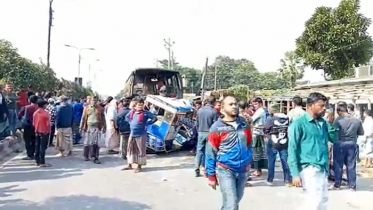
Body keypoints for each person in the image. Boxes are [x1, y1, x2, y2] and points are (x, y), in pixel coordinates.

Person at [288, 92, 336, 209]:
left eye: (324, 105)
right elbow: (292, 148)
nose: (324, 108)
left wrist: (329, 123)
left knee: (322, 200)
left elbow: (334, 138)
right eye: (321, 105)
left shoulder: (322, 123)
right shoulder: (299, 124)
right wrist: (295, 173)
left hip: (323, 166)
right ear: (310, 106)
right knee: (313, 201)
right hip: (309, 167)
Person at [205, 96, 252, 210]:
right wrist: (211, 176)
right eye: (230, 104)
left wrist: (249, 162)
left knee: (233, 202)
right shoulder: (217, 127)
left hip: (243, 170)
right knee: (232, 205)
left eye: (235, 104)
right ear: (222, 107)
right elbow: (210, 153)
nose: (234, 106)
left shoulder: (243, 124)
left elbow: (249, 143)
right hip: (226, 170)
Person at [332, 101, 364, 191]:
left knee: (338, 164)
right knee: (351, 164)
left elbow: (333, 132)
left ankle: (337, 184)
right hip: (352, 144)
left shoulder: (338, 120)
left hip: (340, 144)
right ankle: (352, 185)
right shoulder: (357, 120)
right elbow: (361, 133)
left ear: (339, 111)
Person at [123, 99, 156, 173]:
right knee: (130, 149)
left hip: (141, 134)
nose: (140, 106)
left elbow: (154, 118)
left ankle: (139, 166)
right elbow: (126, 118)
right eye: (139, 105)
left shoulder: (146, 113)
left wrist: (147, 123)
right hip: (132, 133)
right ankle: (129, 165)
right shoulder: (132, 112)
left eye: (141, 105)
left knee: (140, 150)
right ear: (135, 105)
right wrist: (130, 123)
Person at [264, 103, 292, 186]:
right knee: (285, 161)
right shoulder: (287, 118)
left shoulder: (270, 118)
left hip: (272, 142)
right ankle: (287, 179)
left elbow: (266, 129)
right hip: (284, 141)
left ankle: (270, 179)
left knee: (271, 161)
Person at [194, 97, 219, 177]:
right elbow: (215, 125)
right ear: (214, 102)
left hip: (201, 132)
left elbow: (196, 123)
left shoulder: (200, 110)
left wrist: (199, 131)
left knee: (199, 152)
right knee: (209, 153)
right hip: (210, 133)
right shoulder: (214, 112)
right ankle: (208, 171)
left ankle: (196, 169)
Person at [80, 96, 106, 164]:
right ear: (90, 101)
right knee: (87, 143)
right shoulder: (86, 108)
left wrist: (104, 127)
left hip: (97, 128)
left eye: (95, 100)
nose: (94, 102)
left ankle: (95, 157)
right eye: (92, 100)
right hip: (88, 128)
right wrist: (81, 127)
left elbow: (103, 118)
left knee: (96, 143)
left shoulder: (100, 108)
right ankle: (86, 156)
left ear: (97, 101)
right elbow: (83, 118)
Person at [250, 97, 268, 177]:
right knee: (258, 151)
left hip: (257, 133)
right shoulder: (260, 111)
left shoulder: (260, 111)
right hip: (258, 132)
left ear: (260, 104)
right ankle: (258, 169)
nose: (255, 106)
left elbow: (251, 120)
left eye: (256, 104)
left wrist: (246, 115)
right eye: (254, 104)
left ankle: (258, 170)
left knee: (257, 152)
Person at [33, 99, 51, 167]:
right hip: (44, 132)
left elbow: (34, 123)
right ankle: (42, 162)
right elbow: (48, 124)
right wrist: (49, 131)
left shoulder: (35, 113)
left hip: (37, 131)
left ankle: (37, 161)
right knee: (43, 147)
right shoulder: (46, 113)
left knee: (37, 146)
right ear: (43, 105)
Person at [20, 95, 39, 160]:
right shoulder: (39, 108)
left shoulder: (26, 107)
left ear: (29, 100)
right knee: (34, 140)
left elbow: (19, 115)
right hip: (36, 126)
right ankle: (33, 153)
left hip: (27, 126)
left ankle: (29, 154)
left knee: (28, 140)